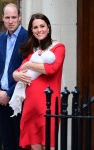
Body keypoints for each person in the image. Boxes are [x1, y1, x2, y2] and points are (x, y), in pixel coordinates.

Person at [12, 13, 65, 150]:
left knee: (49, 144)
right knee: (34, 145)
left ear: (48, 27)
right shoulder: (32, 52)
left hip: (48, 105)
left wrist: (29, 65)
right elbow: (17, 72)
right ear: (31, 31)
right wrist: (15, 74)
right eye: (35, 27)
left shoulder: (58, 47)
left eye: (42, 26)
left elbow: (52, 69)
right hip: (31, 106)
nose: (39, 30)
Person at [0, 3, 28, 150]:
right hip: (1, 100)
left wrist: (9, 93)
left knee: (21, 144)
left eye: (13, 17)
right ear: (2, 19)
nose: (10, 21)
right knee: (7, 143)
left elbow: (28, 73)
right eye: (7, 17)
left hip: (19, 99)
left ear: (19, 18)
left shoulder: (28, 38)